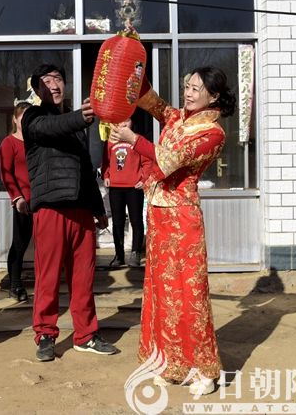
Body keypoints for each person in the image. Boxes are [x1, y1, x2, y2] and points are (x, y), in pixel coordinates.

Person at [110, 66, 236, 396]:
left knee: (190, 294)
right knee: (161, 292)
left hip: (183, 218)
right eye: (187, 86)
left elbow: (169, 160)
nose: (188, 92)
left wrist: (134, 140)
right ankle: (170, 362)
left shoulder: (213, 133)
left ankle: (205, 370)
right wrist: (134, 65)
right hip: (159, 213)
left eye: (196, 88)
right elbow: (150, 100)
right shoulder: (178, 117)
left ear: (214, 96)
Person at [21, 64, 118, 362]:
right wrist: (80, 117)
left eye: (58, 79)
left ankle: (86, 335)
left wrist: (98, 208)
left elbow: (86, 170)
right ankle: (45, 334)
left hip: (81, 210)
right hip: (50, 208)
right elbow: (50, 128)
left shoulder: (76, 127)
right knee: (48, 277)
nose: (53, 84)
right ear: (37, 88)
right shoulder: (33, 117)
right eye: (46, 80)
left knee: (83, 277)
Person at [101, 118, 151, 268]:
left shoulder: (137, 139)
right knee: (118, 222)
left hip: (134, 187)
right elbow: (105, 162)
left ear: (132, 122)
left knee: (136, 221)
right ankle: (119, 255)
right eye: (119, 121)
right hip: (115, 187)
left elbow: (147, 162)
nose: (122, 124)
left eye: (126, 121)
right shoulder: (110, 141)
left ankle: (135, 253)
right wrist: (106, 176)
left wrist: (144, 179)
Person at [0, 101, 33, 302]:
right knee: (20, 244)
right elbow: (6, 174)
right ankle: (15, 284)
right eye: (22, 117)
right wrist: (17, 197)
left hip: (42, 199)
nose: (26, 121)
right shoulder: (8, 143)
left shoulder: (37, 141)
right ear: (14, 119)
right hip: (23, 202)